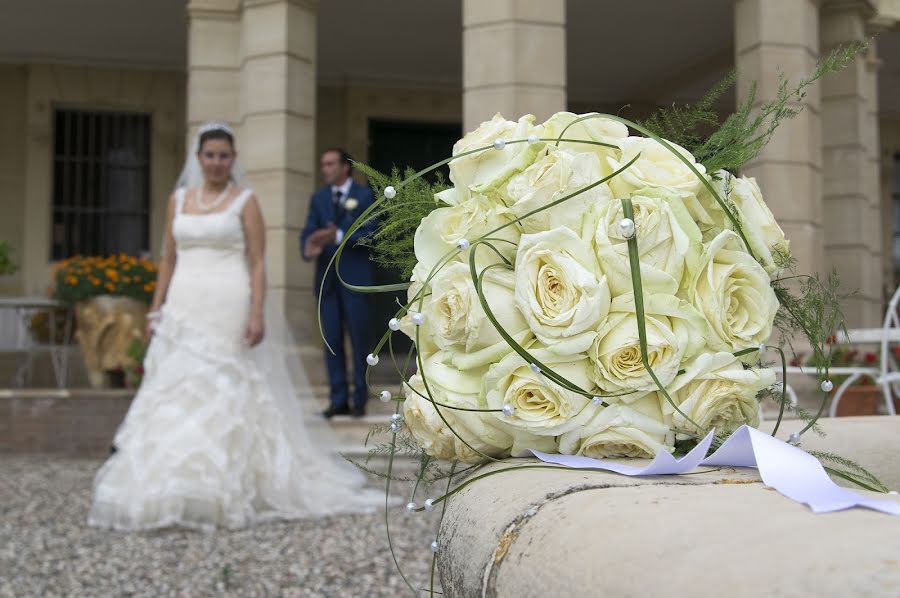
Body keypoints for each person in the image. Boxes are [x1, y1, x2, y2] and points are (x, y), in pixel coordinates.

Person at [88, 122, 381, 532]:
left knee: (223, 382)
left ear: (233, 159)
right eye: (210, 155)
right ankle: (173, 483)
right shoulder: (178, 200)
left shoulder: (245, 201)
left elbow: (258, 262)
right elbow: (168, 259)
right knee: (174, 385)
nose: (216, 162)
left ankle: (224, 483)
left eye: (224, 155)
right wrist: (156, 310)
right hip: (184, 302)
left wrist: (257, 311)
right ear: (199, 158)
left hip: (229, 299)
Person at [301, 149, 377, 419]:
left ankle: (359, 399)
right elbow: (309, 232)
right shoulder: (319, 199)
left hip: (355, 281)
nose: (325, 168)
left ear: (345, 167)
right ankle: (337, 399)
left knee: (359, 341)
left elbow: (372, 233)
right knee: (331, 340)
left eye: (330, 163)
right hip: (327, 284)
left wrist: (340, 235)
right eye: (323, 164)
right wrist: (309, 246)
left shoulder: (364, 196)